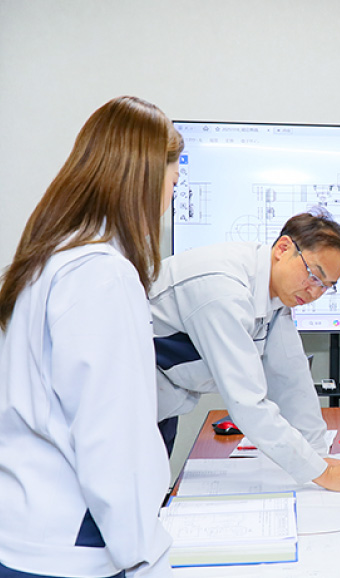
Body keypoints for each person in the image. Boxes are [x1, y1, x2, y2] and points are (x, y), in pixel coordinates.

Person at [0, 96, 181, 577]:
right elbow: (113, 442)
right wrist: (147, 557)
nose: (170, 199)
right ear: (145, 179)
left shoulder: (51, 259)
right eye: (173, 182)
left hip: (27, 532)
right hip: (72, 549)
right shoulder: (103, 275)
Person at [151, 209, 340, 492]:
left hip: (161, 406)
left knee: (148, 498)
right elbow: (247, 402)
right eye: (313, 275)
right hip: (127, 408)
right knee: (129, 506)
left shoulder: (275, 294)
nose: (314, 292)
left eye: (326, 286)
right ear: (283, 248)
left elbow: (291, 378)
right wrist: (322, 473)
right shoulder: (223, 289)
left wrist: (319, 456)